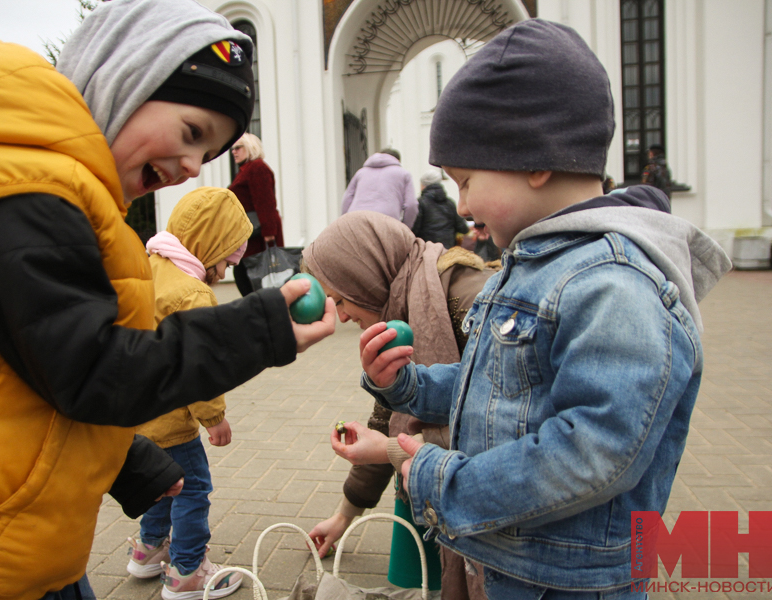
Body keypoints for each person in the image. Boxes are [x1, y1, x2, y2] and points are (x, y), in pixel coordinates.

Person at [0, 2, 335, 599]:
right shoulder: (17, 190)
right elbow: (94, 370)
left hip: (10, 536)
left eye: (207, 155)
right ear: (129, 80)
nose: (188, 166)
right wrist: (259, 330)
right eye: (191, 133)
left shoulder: (44, 188)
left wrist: (126, 463)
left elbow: (26, 376)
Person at [357, 19, 731, 599]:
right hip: (520, 562)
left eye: (466, 178)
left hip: (574, 580)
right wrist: (408, 387)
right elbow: (501, 386)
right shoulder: (533, 264)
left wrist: (449, 483)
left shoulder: (613, 284)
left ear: (534, 159)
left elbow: (595, 449)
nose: (462, 204)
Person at [303, 211, 497, 599]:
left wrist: (391, 451)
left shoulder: (469, 299)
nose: (341, 315)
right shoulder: (403, 300)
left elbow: (496, 425)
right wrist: (345, 514)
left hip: (484, 505)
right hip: (430, 478)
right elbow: (389, 415)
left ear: (366, 278)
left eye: (341, 299)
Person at [125, 187, 252, 599]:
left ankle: (147, 549)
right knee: (192, 486)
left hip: (136, 413)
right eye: (227, 257)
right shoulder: (192, 293)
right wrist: (213, 418)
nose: (226, 268)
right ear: (208, 244)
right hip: (172, 418)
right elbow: (199, 367)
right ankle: (187, 570)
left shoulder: (146, 266)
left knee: (158, 481)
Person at [229, 132, 284, 296]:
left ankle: (265, 314)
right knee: (248, 278)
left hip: (260, 237)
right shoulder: (246, 170)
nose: (234, 152)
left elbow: (265, 201)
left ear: (251, 148)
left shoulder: (257, 168)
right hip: (251, 235)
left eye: (238, 147)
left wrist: (269, 234)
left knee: (253, 279)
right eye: (232, 149)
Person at [341, 148, 418, 228]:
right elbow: (411, 205)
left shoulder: (360, 173)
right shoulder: (403, 174)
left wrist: (345, 223)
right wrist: (406, 227)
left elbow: (347, 199)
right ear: (398, 161)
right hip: (387, 221)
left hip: (356, 218)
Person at [411, 169, 469, 249]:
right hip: (448, 249)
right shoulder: (450, 203)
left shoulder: (420, 203)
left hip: (428, 249)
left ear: (424, 185)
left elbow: (415, 229)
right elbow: (463, 228)